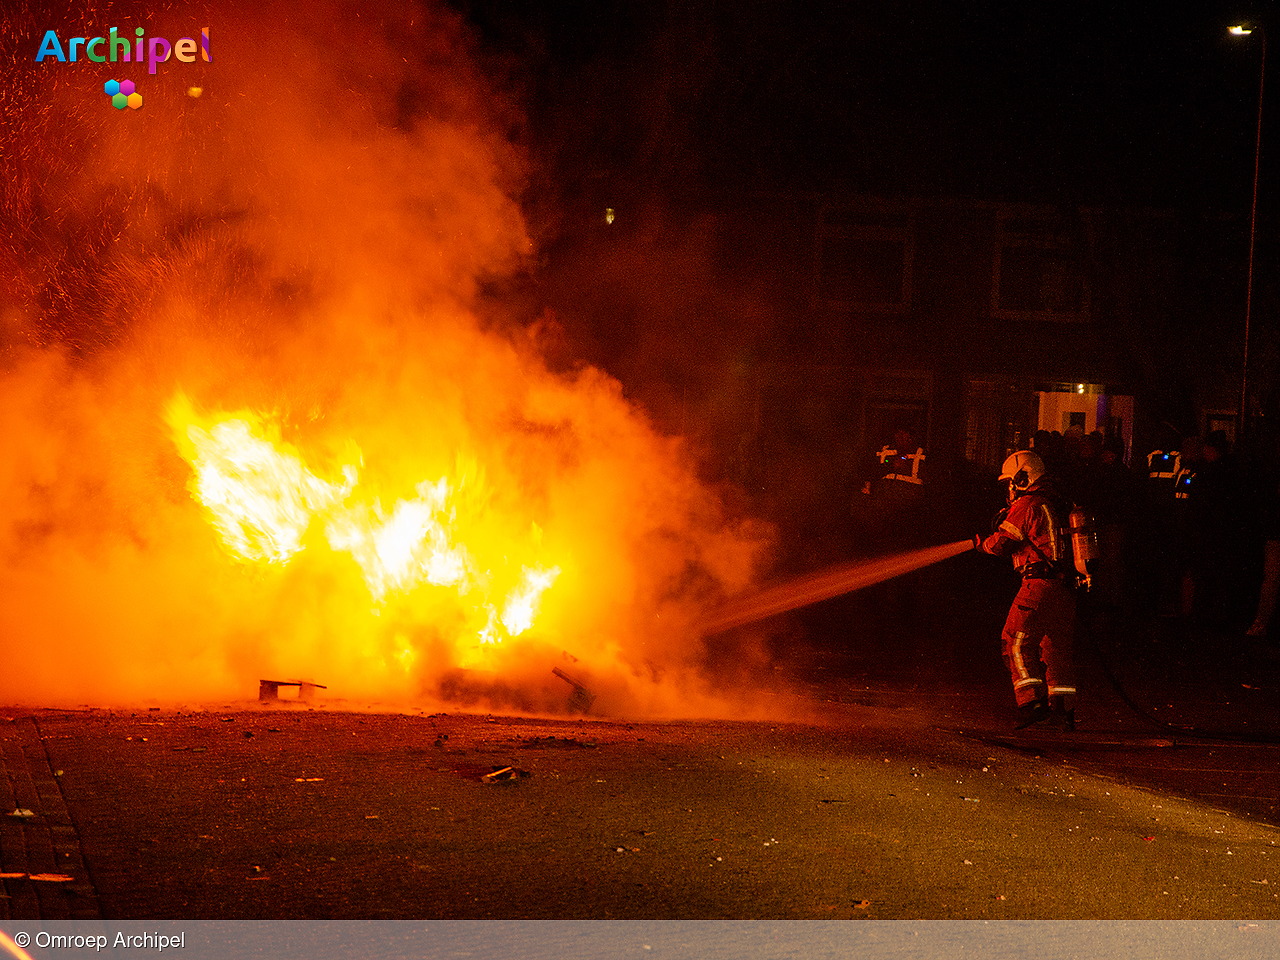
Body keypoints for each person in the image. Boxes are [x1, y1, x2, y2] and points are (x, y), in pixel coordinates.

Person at [974, 450, 1078, 730]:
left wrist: (981, 544)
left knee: (1015, 641)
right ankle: (1062, 711)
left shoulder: (1029, 503)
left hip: (1038, 585)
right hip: (1064, 587)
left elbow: (1003, 543)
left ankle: (1031, 704)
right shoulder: (1058, 502)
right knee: (1055, 648)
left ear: (1022, 478)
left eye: (1010, 481)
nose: (1009, 488)